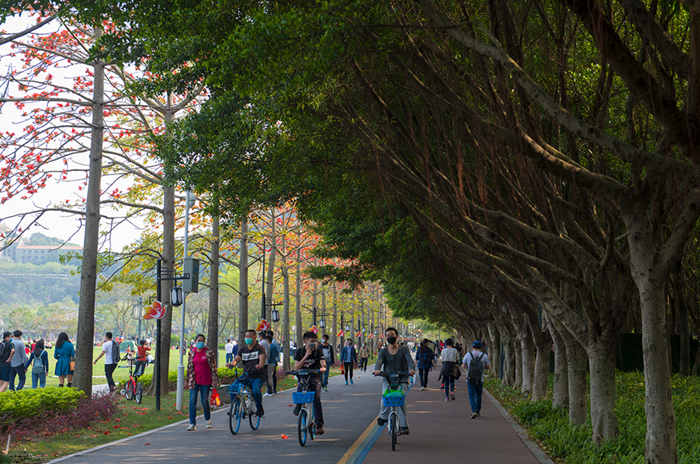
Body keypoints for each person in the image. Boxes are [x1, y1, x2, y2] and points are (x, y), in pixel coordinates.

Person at [373, 327, 415, 435]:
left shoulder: (404, 350)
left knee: (400, 400)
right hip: (388, 379)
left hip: (403, 379)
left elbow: (409, 361)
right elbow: (379, 361)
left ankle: (404, 426)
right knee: (385, 397)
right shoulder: (383, 351)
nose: (389, 337)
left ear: (396, 336)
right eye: (387, 335)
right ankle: (383, 417)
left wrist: (411, 370)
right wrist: (377, 370)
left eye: (392, 335)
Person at [226, 329, 266, 418]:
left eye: (249, 336)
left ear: (254, 337)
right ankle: (235, 408)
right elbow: (236, 359)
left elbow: (262, 359)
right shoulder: (243, 349)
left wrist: (260, 365)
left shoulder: (259, 348)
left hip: (257, 376)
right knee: (233, 387)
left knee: (255, 391)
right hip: (246, 375)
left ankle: (259, 408)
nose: (247, 338)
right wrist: (231, 364)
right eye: (246, 336)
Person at [292, 331, 326, 435]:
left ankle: (319, 425)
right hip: (303, 376)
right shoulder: (300, 352)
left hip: (315, 376)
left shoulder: (318, 351)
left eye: (315, 341)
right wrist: (306, 356)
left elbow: (323, 364)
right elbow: (296, 367)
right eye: (311, 341)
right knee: (301, 387)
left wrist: (322, 368)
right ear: (305, 341)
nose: (314, 343)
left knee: (316, 400)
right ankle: (298, 406)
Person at [185, 333, 220, 431]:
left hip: (206, 380)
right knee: (192, 401)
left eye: (202, 340)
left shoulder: (209, 352)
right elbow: (189, 367)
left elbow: (213, 367)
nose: (200, 342)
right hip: (194, 380)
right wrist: (187, 380)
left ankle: (207, 420)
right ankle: (192, 423)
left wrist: (215, 380)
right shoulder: (192, 353)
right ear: (195, 342)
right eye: (198, 340)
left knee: (204, 401)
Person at [463, 340, 491, 419]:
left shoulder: (468, 354)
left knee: (471, 395)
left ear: (472, 347)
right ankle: (478, 411)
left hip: (470, 378)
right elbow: (488, 367)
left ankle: (474, 410)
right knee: (478, 396)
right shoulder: (484, 356)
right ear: (481, 347)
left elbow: (464, 366)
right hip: (480, 378)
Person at [258, 331, 272, 395]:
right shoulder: (267, 344)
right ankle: (269, 390)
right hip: (266, 361)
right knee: (266, 377)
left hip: (262, 362)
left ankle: (269, 390)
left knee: (262, 377)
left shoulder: (261, 344)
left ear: (261, 337)